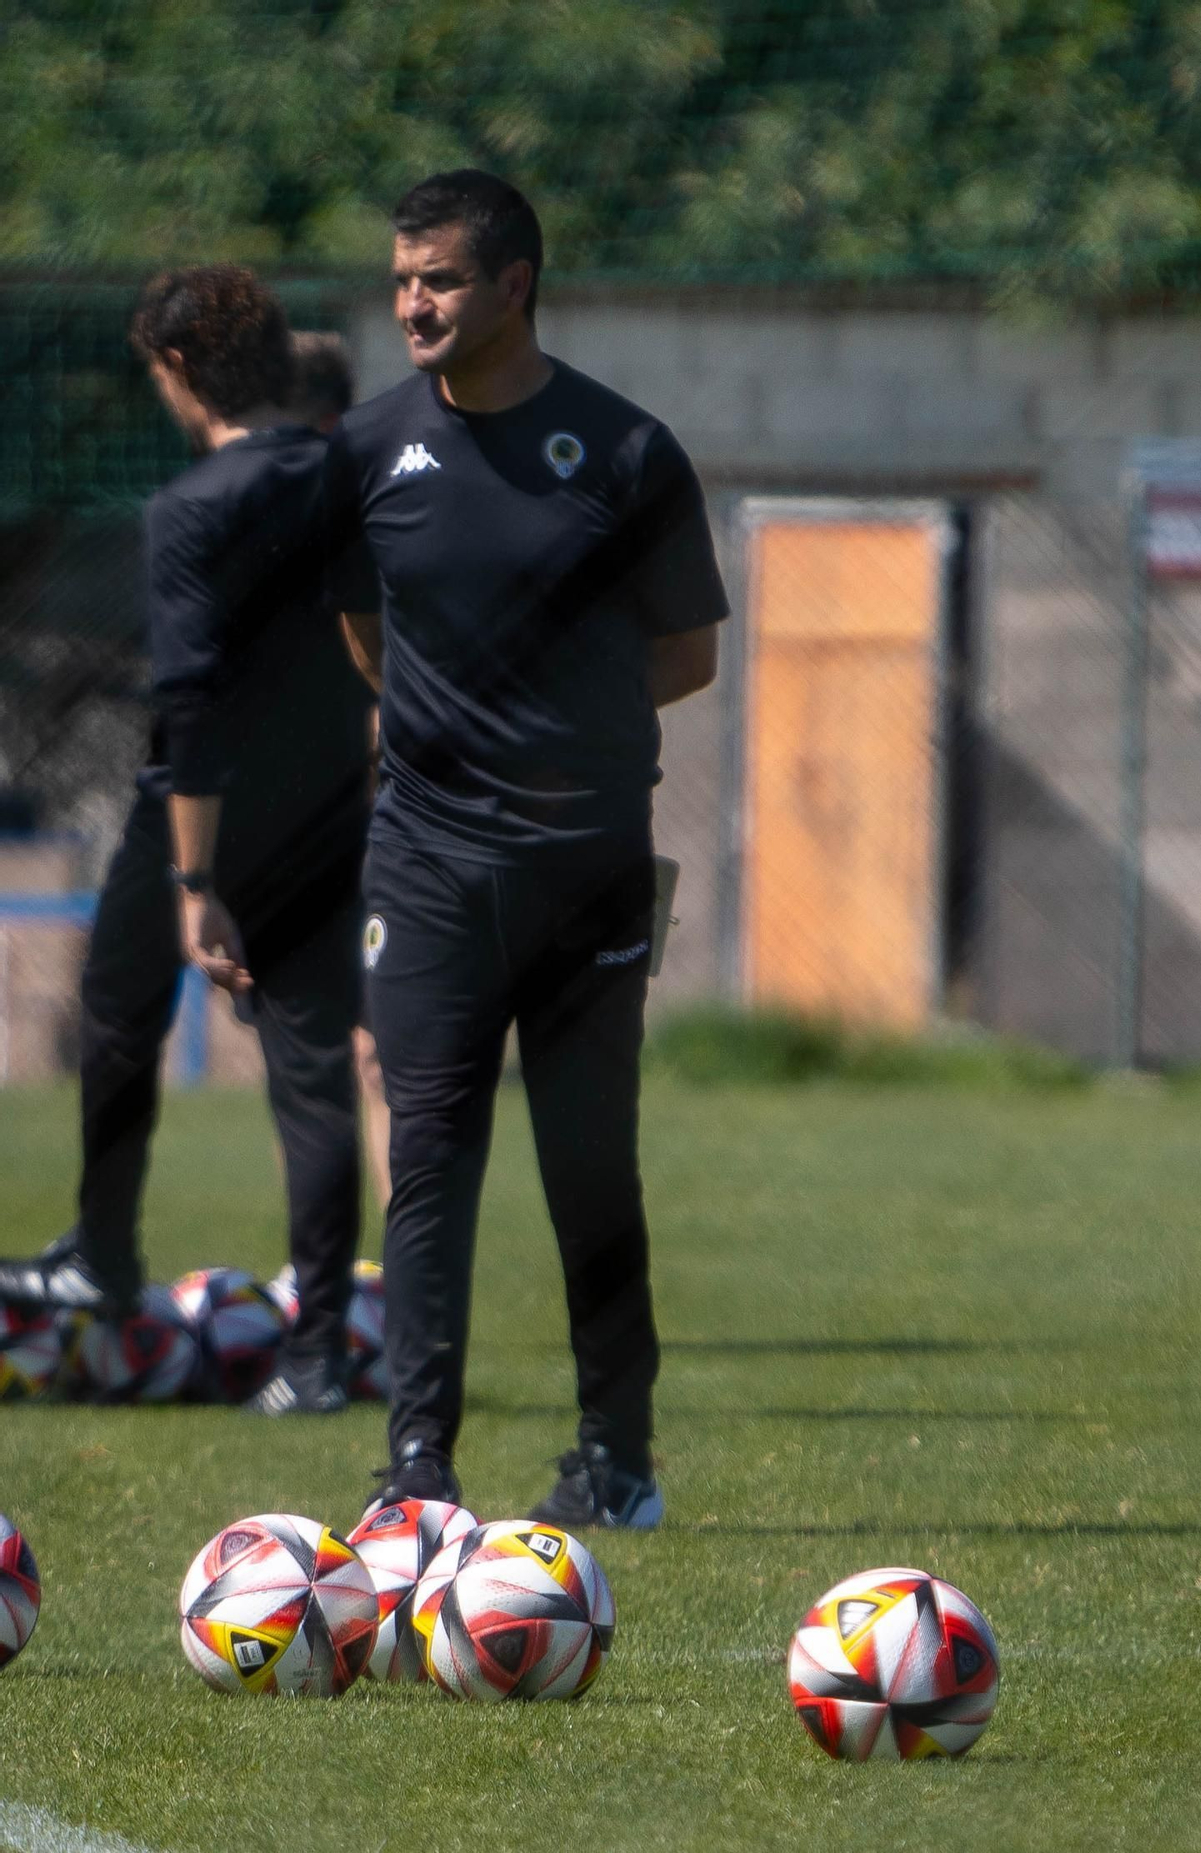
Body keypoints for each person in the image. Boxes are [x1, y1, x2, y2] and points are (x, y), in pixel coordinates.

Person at [329, 170, 728, 1527]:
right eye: (401, 281)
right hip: (427, 863)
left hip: (587, 865)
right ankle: (415, 1469)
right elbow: (364, 636)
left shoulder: (626, 452)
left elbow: (688, 654)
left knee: (587, 1164)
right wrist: (454, 733)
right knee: (430, 1155)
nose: (415, 305)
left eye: (440, 278)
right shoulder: (370, 451)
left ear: (516, 284)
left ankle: (617, 1458)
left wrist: (561, 730)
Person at [0, 268, 375, 1418]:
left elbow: (195, 700)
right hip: (330, 806)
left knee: (120, 1010)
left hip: (200, 811)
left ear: (176, 371)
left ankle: (104, 1251)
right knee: (311, 1074)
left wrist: (195, 879)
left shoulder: (193, 508)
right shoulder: (352, 480)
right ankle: (317, 1354)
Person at [289, 331, 393, 1217]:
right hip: (297, 818)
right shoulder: (256, 518)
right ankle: (338, 1278)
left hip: (379, 818)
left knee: (381, 1050)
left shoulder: (377, 506)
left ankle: (403, 1276)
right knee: (332, 1047)